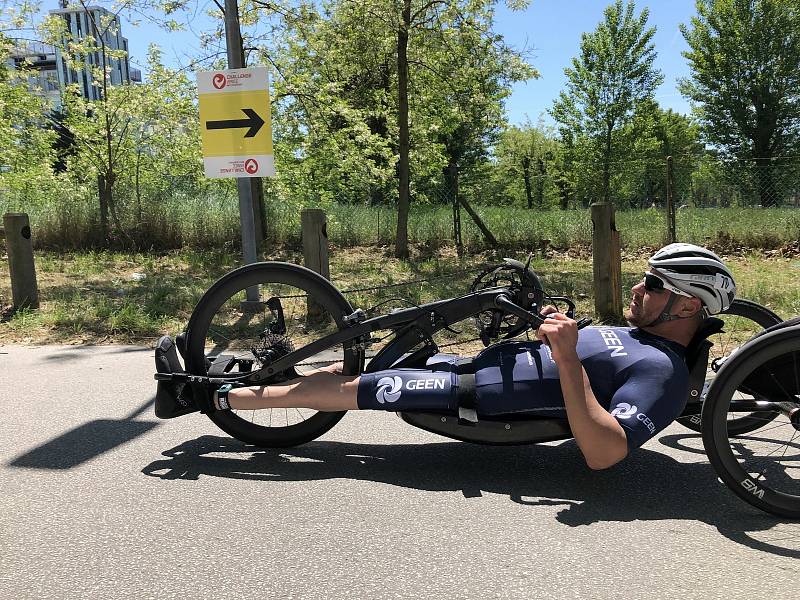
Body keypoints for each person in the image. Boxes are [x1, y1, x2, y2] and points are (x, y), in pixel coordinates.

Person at [154, 243, 736, 470]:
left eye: (653, 285)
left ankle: (206, 394)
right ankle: (246, 378)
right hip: (481, 367)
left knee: (359, 391)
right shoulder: (642, 338)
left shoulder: (660, 372)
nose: (639, 289)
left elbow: (606, 451)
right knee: (355, 371)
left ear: (686, 307)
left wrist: (567, 359)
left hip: (473, 395)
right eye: (642, 277)